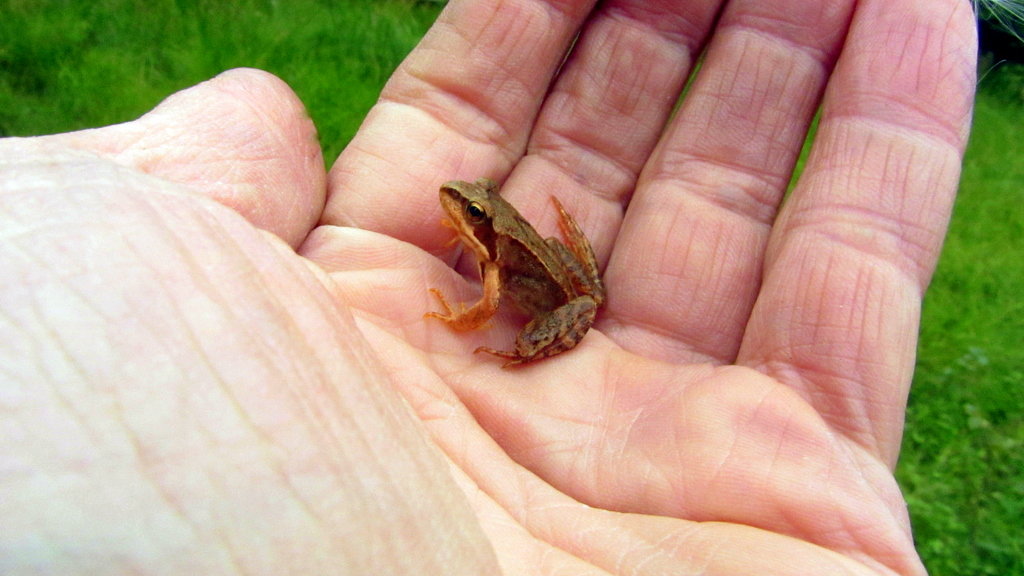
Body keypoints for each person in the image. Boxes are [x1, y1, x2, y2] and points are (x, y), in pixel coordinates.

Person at [0, 0, 976, 573]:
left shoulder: (494, 265)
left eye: (468, 214)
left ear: (482, 229)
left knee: (549, 321)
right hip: (559, 277)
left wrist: (484, 328)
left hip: (565, 302)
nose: (458, 216)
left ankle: (538, 338)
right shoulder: (487, 242)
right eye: (470, 211)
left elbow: (483, 303)